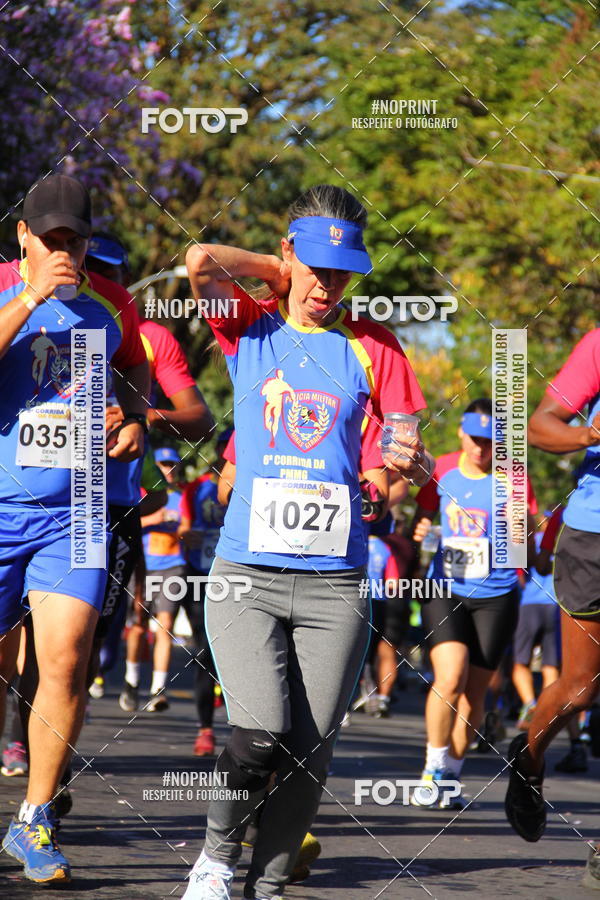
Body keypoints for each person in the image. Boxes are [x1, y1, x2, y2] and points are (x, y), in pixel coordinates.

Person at [179, 183, 432, 900]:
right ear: (291, 257)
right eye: (317, 269)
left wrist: (397, 475)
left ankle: (266, 884)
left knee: (308, 751)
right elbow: (199, 259)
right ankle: (215, 860)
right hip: (245, 574)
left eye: (343, 273)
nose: (329, 286)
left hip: (337, 581)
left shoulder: (376, 348)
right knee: (258, 730)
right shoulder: (250, 327)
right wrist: (272, 265)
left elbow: (404, 450)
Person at [0, 175, 149, 883]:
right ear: (23, 237)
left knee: (63, 659)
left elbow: (128, 383)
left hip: (77, 510)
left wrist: (134, 423)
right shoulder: (5, 292)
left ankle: (33, 821)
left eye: (75, 240)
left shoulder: (107, 312)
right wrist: (30, 298)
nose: (63, 251)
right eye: (50, 238)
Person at [505, 330, 600, 888]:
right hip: (593, 536)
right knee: (582, 688)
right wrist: (591, 432)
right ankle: (529, 759)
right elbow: (540, 425)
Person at [410, 399, 536, 809]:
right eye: (475, 439)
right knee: (449, 678)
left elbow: (526, 548)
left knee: (473, 694)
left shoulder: (513, 480)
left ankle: (452, 775)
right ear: (461, 434)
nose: (481, 448)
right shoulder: (441, 468)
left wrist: (522, 538)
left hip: (497, 594)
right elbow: (421, 518)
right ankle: (431, 768)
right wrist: (423, 531)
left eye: (490, 441)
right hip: (444, 588)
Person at [178, 432, 230, 754]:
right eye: (225, 451)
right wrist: (188, 536)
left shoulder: (253, 486)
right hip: (199, 576)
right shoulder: (197, 488)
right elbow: (183, 529)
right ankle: (206, 730)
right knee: (204, 653)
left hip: (240, 580)